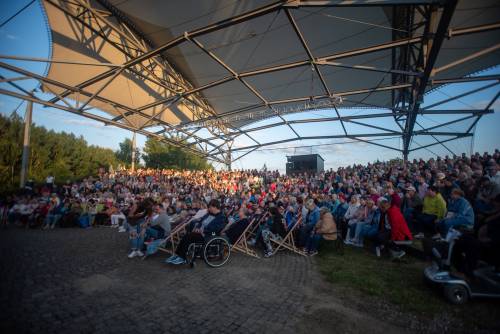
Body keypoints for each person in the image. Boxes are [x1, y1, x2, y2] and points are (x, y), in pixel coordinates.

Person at [166, 199, 225, 265]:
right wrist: (197, 227)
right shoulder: (209, 214)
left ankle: (182, 257)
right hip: (200, 233)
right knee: (186, 236)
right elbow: (200, 221)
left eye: (210, 207)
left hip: (208, 235)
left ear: (215, 207)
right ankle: (177, 255)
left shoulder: (221, 217)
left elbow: (216, 230)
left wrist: (204, 230)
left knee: (188, 237)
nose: (209, 209)